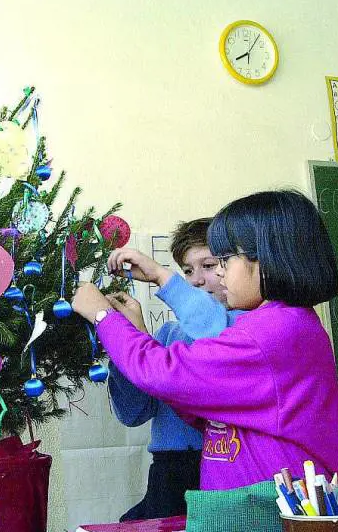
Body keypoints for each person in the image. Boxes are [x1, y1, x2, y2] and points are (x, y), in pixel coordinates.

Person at [73, 190, 338, 491]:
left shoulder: (273, 330)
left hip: (275, 514)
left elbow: (167, 373)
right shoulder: (275, 323)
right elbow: (194, 398)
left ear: (267, 258)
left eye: (225, 260)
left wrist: (103, 316)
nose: (219, 273)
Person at [105, 218, 245, 520]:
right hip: (168, 472)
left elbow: (211, 340)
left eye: (207, 265)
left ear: (231, 266)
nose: (196, 280)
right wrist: (129, 342)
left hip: (221, 467)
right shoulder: (168, 334)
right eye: (187, 271)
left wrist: (159, 275)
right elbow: (134, 412)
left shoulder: (244, 326)